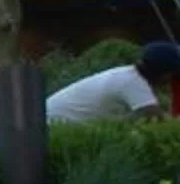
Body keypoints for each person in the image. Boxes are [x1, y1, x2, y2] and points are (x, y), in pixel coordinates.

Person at [44, 40, 180, 124]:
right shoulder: (133, 84)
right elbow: (159, 120)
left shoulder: (126, 74)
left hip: (47, 124)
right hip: (53, 128)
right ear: (163, 73)